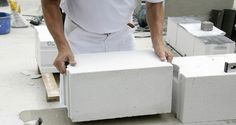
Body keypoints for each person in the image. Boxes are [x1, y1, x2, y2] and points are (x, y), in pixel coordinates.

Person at [41, 0, 173, 74]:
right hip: (80, 38)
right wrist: (63, 47)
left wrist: (158, 42)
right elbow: (50, 4)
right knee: (79, 100)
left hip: (122, 37)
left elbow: (154, 3)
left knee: (127, 92)